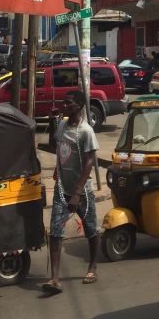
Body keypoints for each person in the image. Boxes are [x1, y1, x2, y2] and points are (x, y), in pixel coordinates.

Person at [43, 90, 100, 294]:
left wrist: (77, 192)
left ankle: (92, 267)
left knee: (91, 228)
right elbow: (53, 146)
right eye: (63, 102)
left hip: (82, 191)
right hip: (61, 189)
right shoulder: (61, 126)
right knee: (55, 232)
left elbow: (89, 162)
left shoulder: (86, 131)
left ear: (79, 106)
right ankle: (54, 278)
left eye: (68, 103)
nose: (64, 106)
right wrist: (51, 125)